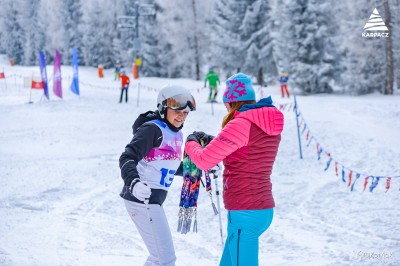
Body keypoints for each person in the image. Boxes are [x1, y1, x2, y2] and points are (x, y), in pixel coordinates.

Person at [184, 73, 284, 266]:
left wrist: (191, 143)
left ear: (230, 102)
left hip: (244, 213)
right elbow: (246, 150)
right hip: (260, 210)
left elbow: (204, 160)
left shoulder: (241, 123)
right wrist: (213, 140)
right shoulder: (263, 121)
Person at [119, 85, 196, 266]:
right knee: (165, 259)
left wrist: (201, 168)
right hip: (141, 198)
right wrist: (134, 182)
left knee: (159, 258)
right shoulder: (152, 129)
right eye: (177, 111)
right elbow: (127, 157)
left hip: (152, 201)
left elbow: (172, 165)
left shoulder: (176, 134)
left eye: (185, 113)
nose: (181, 116)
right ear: (163, 108)